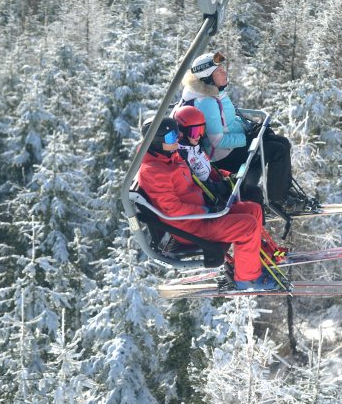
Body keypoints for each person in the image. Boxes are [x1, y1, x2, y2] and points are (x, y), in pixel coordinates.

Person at [135, 115, 279, 291]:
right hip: (190, 225)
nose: (178, 139)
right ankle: (247, 279)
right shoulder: (153, 171)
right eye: (172, 137)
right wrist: (206, 210)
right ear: (156, 142)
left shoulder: (169, 156)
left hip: (201, 214)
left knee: (253, 209)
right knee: (246, 226)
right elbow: (172, 210)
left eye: (177, 134)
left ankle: (251, 263)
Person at [180, 51, 315, 215]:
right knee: (277, 150)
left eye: (223, 68)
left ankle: (282, 192)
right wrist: (248, 138)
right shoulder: (207, 102)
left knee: (280, 142)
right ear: (207, 78)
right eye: (219, 71)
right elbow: (217, 141)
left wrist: (251, 129)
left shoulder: (213, 92)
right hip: (224, 157)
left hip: (231, 148)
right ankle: (278, 199)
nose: (224, 72)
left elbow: (228, 121)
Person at [171, 104, 288, 260]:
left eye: (201, 130)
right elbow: (197, 185)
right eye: (194, 131)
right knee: (251, 199)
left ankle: (258, 244)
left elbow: (208, 168)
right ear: (182, 132)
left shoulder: (194, 146)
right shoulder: (182, 156)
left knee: (254, 193)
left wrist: (227, 176)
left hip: (214, 191)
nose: (198, 135)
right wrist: (221, 186)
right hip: (210, 201)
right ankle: (253, 250)